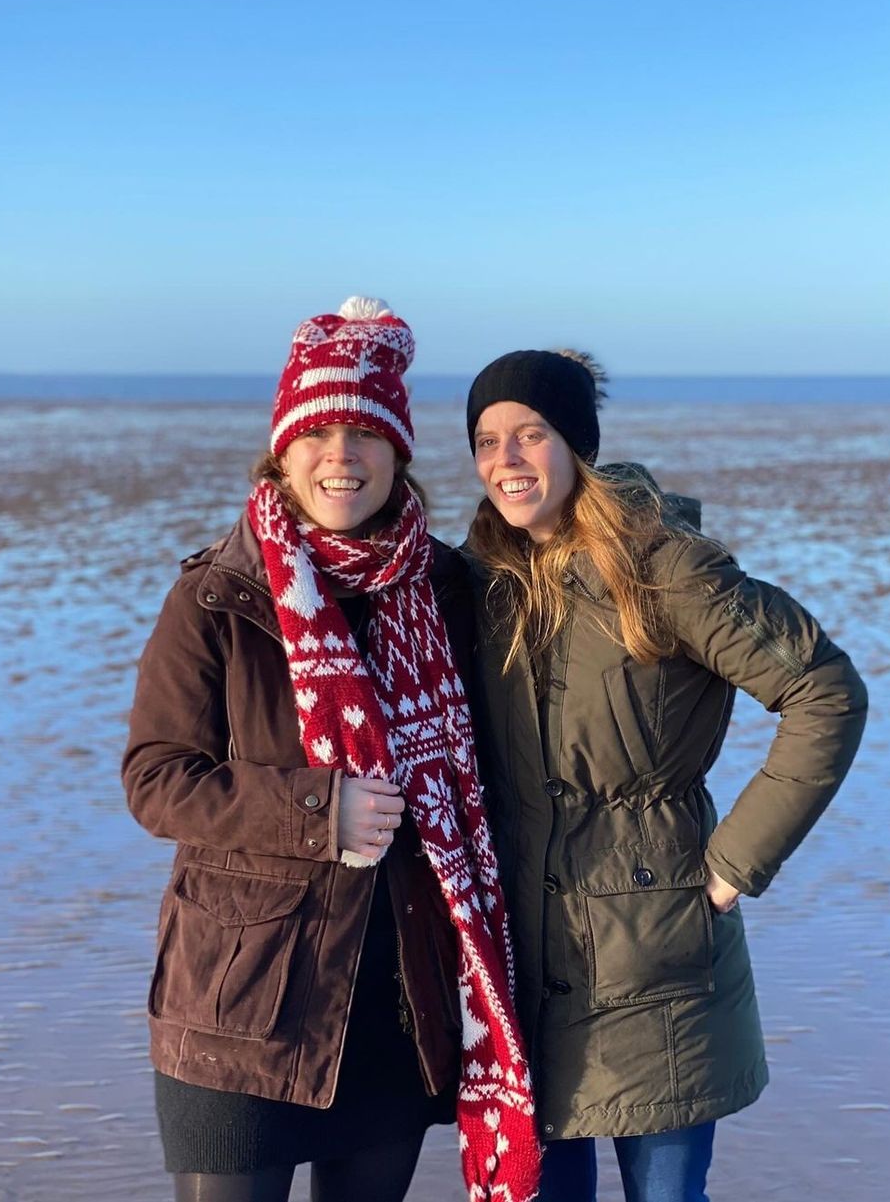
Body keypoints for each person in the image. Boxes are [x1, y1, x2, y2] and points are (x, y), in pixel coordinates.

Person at [122, 300, 540, 1202]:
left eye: (365, 432)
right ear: (283, 449)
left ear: (399, 453)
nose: (341, 455)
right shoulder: (217, 597)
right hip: (244, 1002)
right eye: (317, 431)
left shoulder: (452, 592)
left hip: (399, 1002)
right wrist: (319, 807)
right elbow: (156, 780)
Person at [462, 350, 868, 1202]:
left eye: (530, 434)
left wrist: (732, 864)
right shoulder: (480, 581)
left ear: (576, 444)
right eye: (487, 439)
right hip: (525, 956)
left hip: (660, 950)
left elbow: (824, 691)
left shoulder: (662, 564)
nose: (506, 459)